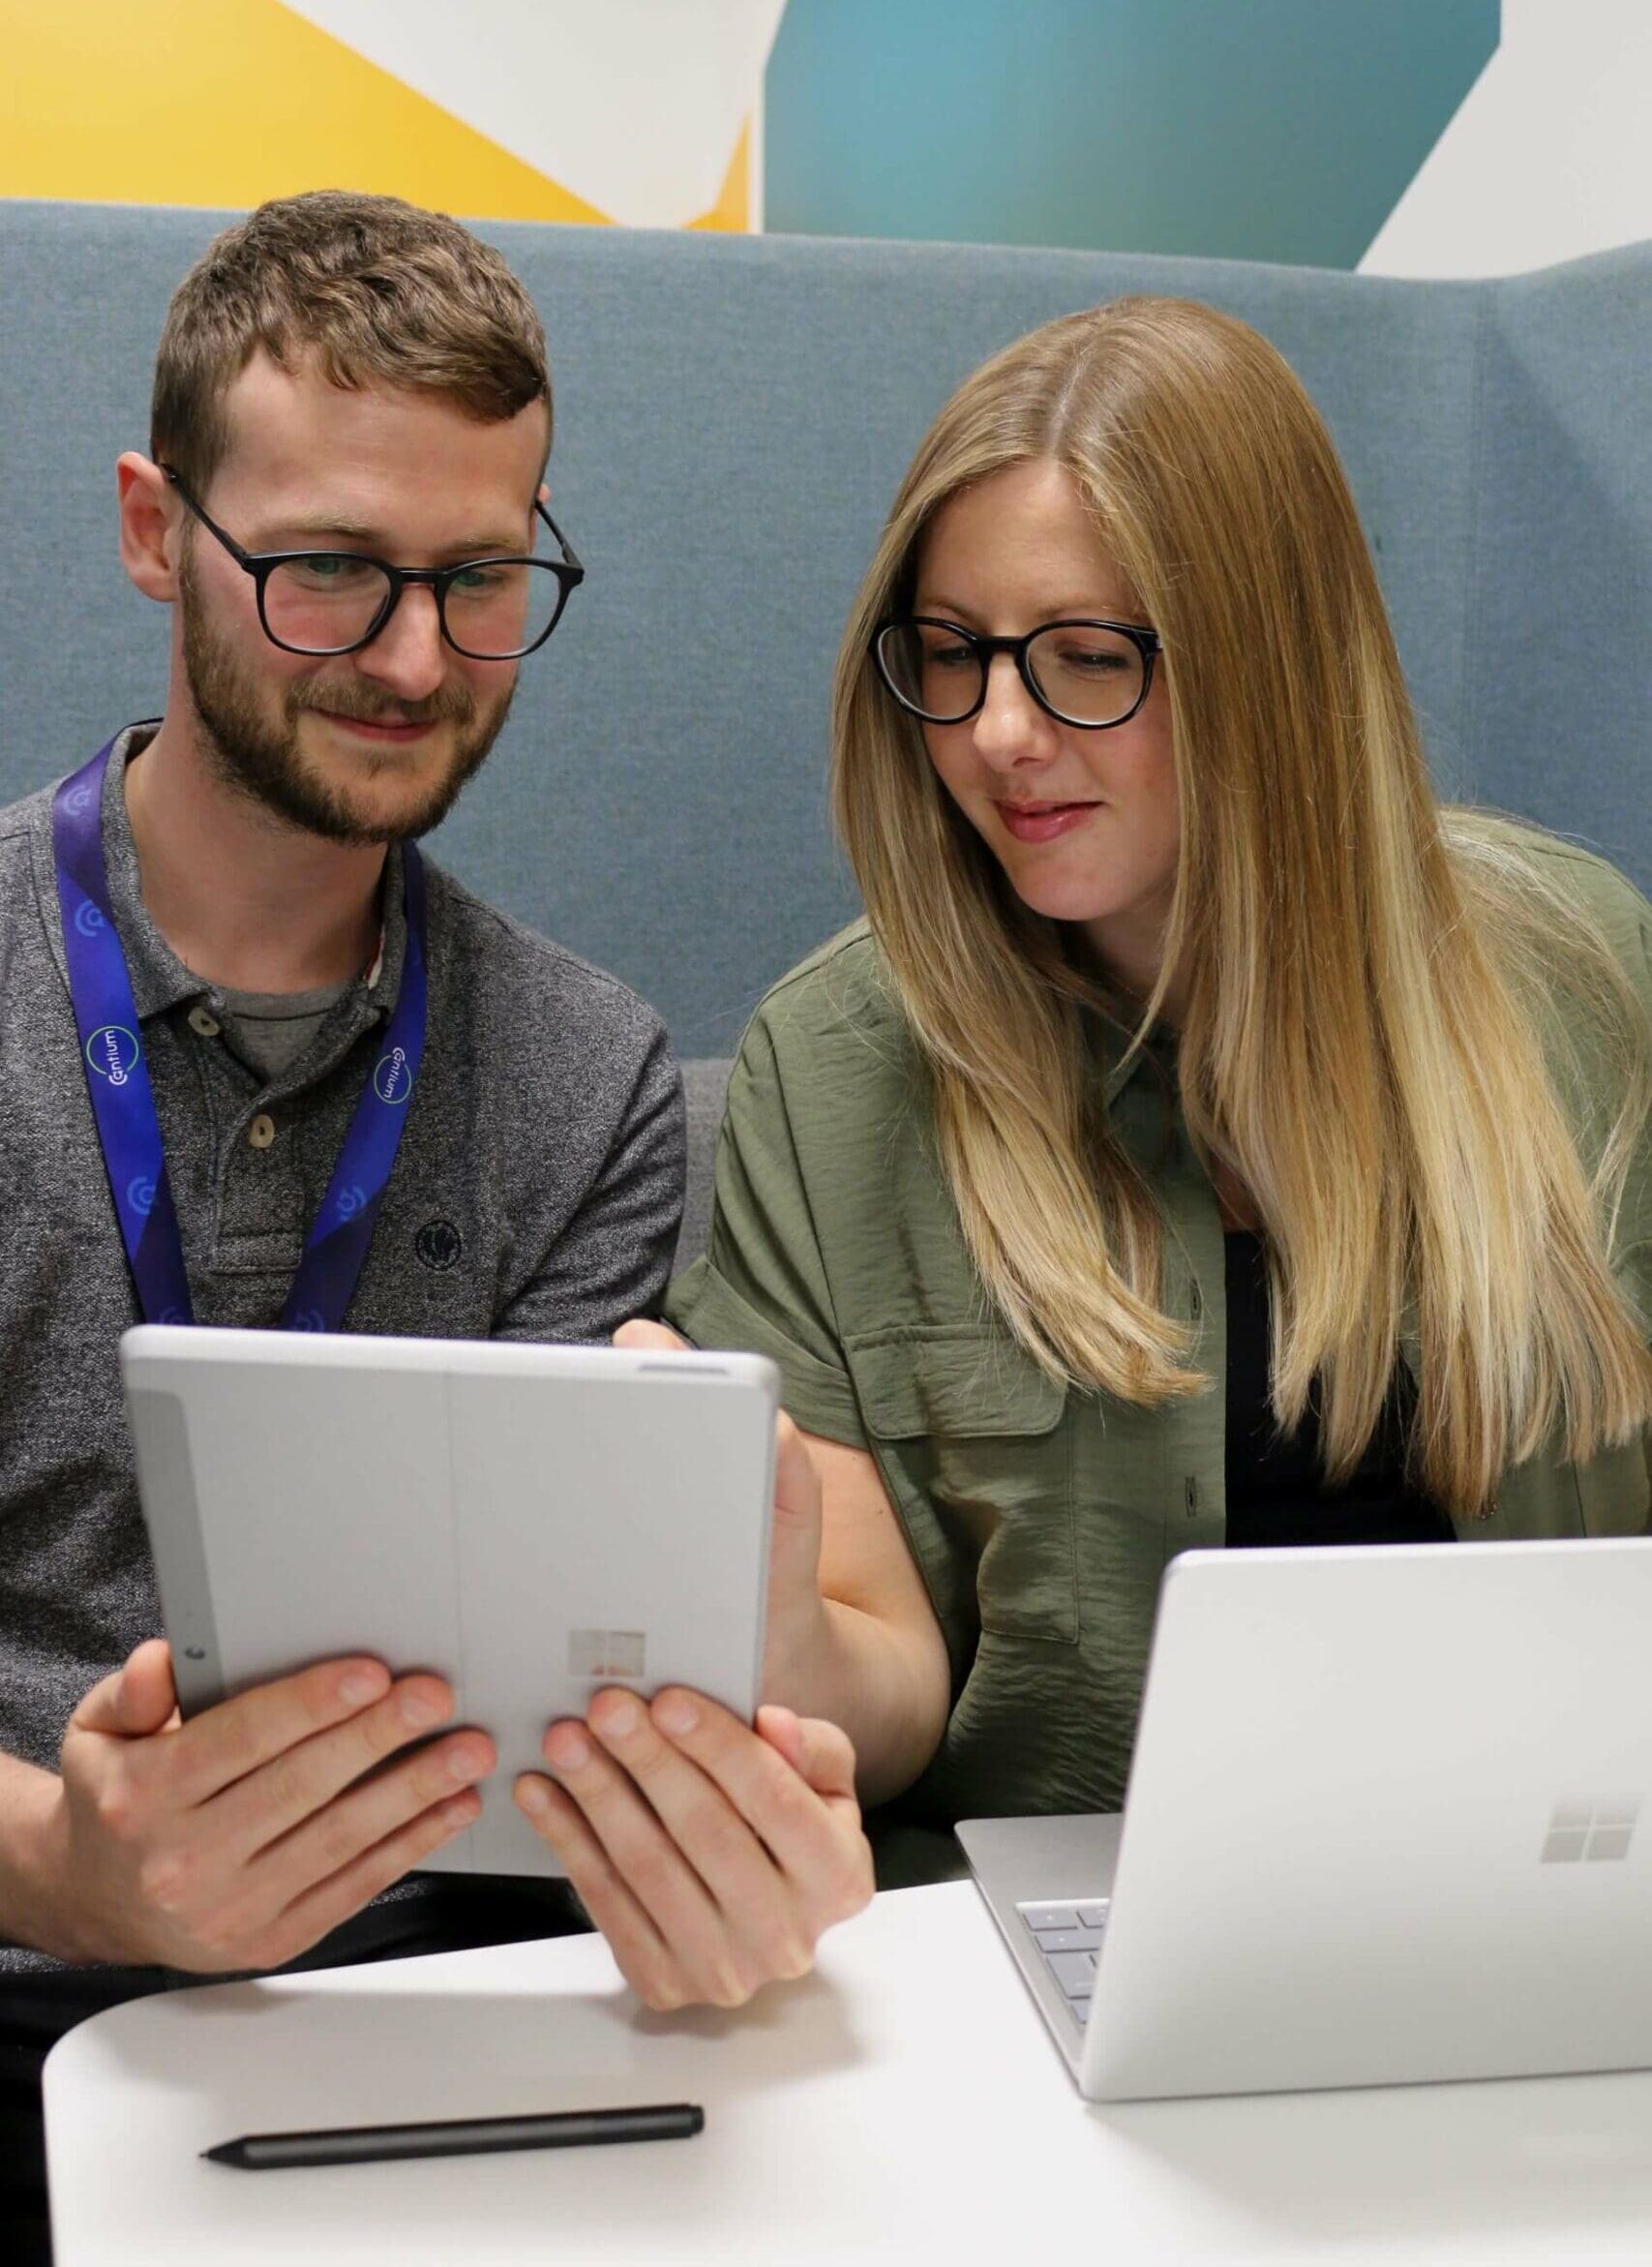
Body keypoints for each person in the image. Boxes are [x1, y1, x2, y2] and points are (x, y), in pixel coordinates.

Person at [518, 294, 1652, 1995]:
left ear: (1268, 662)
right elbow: (884, 1695)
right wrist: (775, 1628)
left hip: (1539, 1936)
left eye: (1088, 656)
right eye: (954, 650)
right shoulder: (837, 1071)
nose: (997, 732)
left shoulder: (1578, 981)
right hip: (1041, 1976)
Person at [0, 189, 707, 2256]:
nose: (412, 659)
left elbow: (578, 1704)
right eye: (326, 574)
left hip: (441, 2040)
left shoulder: (586, 1076)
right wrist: (69, 1862)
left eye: (480, 579)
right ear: (156, 530)